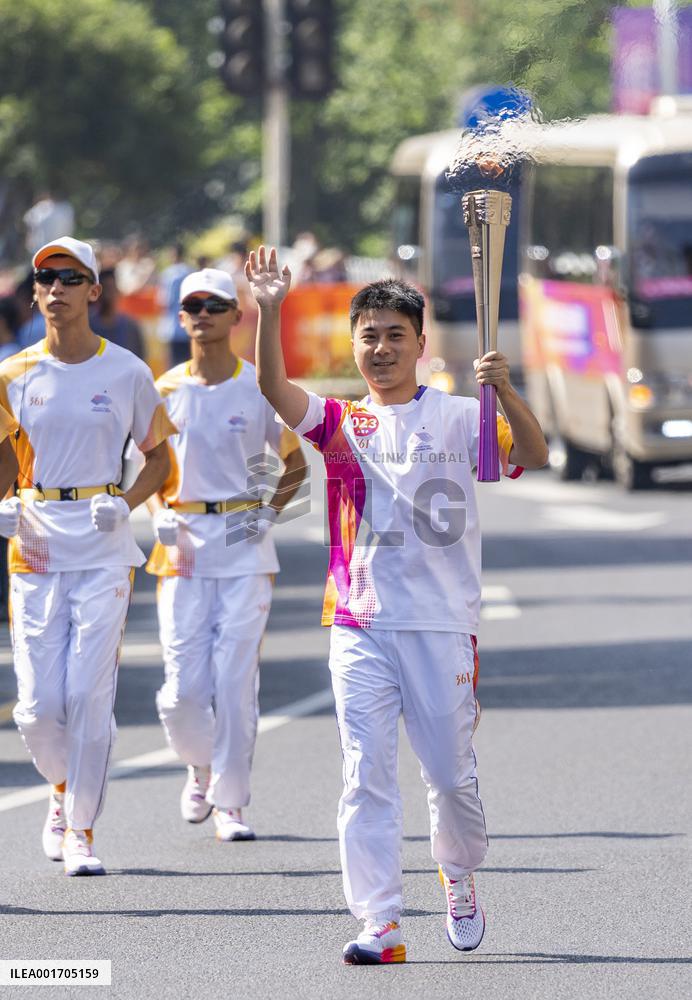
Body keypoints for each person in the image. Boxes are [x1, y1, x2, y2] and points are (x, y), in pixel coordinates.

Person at [247, 246, 548, 964]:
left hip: (442, 626)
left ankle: (459, 868)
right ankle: (379, 922)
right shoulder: (341, 424)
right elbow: (272, 387)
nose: (380, 349)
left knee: (448, 778)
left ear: (420, 343)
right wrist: (268, 311)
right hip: (360, 621)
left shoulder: (457, 417)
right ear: (355, 347)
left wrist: (504, 392)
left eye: (394, 335)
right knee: (365, 773)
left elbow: (528, 452)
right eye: (368, 336)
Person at [0, 236, 176, 877]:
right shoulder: (13, 375)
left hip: (102, 543)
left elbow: (159, 458)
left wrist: (126, 501)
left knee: (87, 693)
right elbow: (0, 459)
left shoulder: (126, 372)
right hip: (36, 543)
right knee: (38, 707)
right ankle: (61, 788)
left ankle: (82, 830)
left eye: (70, 278)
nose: (55, 289)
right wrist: (6, 503)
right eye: (45, 277)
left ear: (95, 292)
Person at [146, 267, 307, 842]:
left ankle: (232, 802)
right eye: (194, 305)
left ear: (236, 316)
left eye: (216, 304)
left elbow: (294, 463)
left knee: (235, 679)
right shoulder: (163, 391)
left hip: (243, 543)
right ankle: (200, 766)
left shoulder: (256, 387)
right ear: (181, 315)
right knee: (182, 687)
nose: (204, 314)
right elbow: (145, 468)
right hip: (183, 545)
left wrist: (267, 512)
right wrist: (156, 514)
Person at [89, 269, 146, 359]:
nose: (108, 295)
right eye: (105, 290)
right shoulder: (87, 326)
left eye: (112, 289)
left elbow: (141, 360)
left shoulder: (131, 326)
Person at [157, 243, 193, 367]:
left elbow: (164, 301)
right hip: (190, 325)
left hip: (173, 327)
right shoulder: (190, 271)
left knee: (175, 366)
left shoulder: (169, 274)